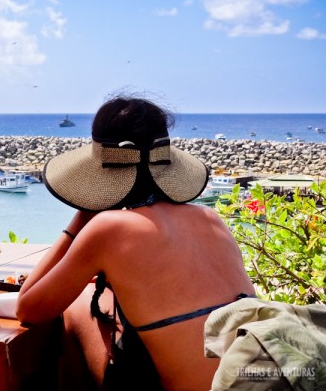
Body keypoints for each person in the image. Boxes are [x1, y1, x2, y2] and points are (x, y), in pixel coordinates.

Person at [16, 94, 255, 391]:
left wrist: (82, 218)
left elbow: (28, 308)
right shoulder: (209, 218)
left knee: (76, 309)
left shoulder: (108, 228)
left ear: (101, 168)